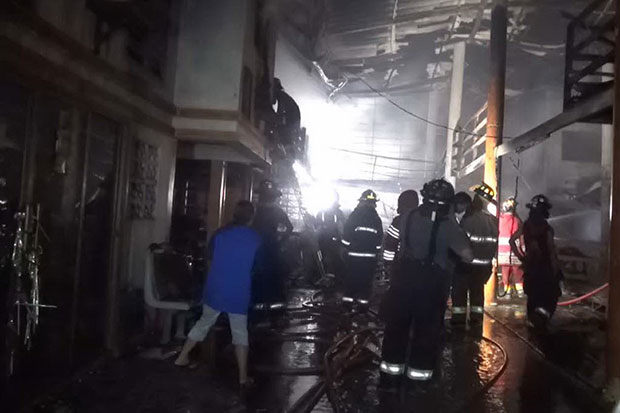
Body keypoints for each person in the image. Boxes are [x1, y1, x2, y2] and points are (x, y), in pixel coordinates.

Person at [379, 179, 473, 389]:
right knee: (425, 333)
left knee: (396, 329)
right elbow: (467, 255)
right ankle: (417, 383)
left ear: (424, 197)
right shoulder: (449, 226)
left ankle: (389, 379)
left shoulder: (404, 218)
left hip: (402, 283)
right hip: (431, 288)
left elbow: (391, 242)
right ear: (447, 202)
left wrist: (389, 269)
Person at [175, 201, 261, 389]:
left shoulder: (220, 234)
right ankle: (242, 377)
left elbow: (209, 260)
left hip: (215, 287)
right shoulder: (255, 238)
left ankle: (182, 357)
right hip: (238, 290)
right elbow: (257, 266)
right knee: (240, 333)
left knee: (204, 323)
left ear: (234, 214)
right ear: (251, 217)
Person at [510, 194, 562, 330]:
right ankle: (542, 320)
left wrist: (522, 257)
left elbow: (512, 241)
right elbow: (551, 250)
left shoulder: (526, 225)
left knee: (533, 295)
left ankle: (534, 320)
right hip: (545, 268)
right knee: (550, 294)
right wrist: (556, 269)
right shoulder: (546, 228)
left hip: (531, 267)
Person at [451, 183, 499, 327]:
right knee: (477, 296)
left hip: (466, 266)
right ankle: (476, 321)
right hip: (484, 267)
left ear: (478, 199)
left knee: (459, 295)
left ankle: (459, 323)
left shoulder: (470, 220)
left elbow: (460, 243)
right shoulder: (493, 221)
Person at [252, 179, 293, 311]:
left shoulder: (253, 211)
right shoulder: (277, 212)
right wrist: (280, 240)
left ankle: (257, 312)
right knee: (274, 282)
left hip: (255, 254)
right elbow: (289, 228)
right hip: (272, 253)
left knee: (255, 282)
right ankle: (274, 313)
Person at [341, 189, 383, 307]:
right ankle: (362, 308)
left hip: (354, 257)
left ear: (362, 201)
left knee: (351, 281)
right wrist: (376, 252)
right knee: (365, 283)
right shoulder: (376, 219)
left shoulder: (355, 215)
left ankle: (347, 307)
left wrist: (344, 247)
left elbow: (347, 233)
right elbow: (379, 239)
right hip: (369, 259)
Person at [383, 190, 419, 268]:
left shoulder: (399, 221)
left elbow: (391, 243)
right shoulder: (423, 220)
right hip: (419, 264)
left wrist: (388, 263)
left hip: (402, 263)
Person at [498, 196, 525, 297]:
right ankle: (520, 292)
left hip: (502, 252)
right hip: (515, 252)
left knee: (505, 272)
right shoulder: (517, 221)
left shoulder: (499, 220)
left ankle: (507, 292)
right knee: (517, 271)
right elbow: (522, 235)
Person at [316, 192, 345, 279]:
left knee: (330, 261)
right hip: (329, 241)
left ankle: (329, 279)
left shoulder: (324, 212)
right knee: (330, 261)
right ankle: (330, 279)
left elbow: (318, 227)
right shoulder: (336, 213)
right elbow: (341, 227)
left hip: (329, 242)